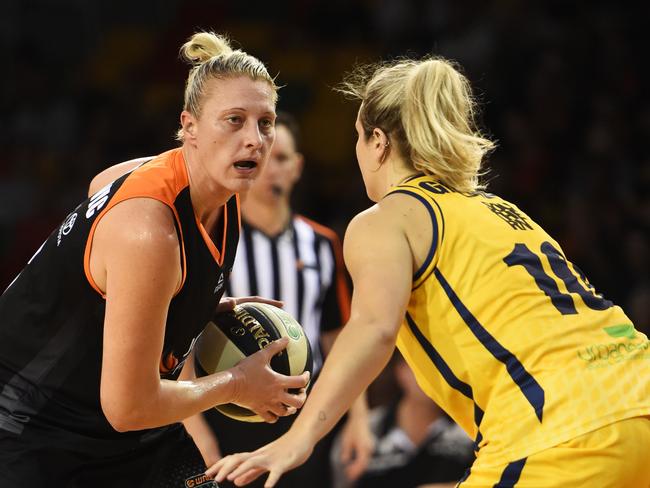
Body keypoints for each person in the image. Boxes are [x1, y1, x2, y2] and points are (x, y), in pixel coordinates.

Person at [208, 55, 650, 487]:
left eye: (359, 138)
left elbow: (374, 328)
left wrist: (298, 439)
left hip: (561, 429)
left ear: (378, 142)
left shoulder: (385, 218)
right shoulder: (498, 209)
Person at [0, 31, 310, 487]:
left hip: (123, 437)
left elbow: (101, 185)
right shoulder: (149, 231)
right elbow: (128, 407)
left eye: (265, 123)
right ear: (190, 127)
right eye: (234, 120)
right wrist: (238, 384)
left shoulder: (214, 191)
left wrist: (171, 302)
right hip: (34, 434)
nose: (254, 140)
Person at [185, 111, 374, 488]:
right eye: (267, 159)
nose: (273, 169)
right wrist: (196, 429)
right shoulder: (213, 235)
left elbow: (338, 337)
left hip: (303, 412)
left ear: (298, 167)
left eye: (283, 159)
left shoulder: (322, 243)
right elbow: (184, 338)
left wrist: (358, 419)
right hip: (227, 410)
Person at [330, 351, 474, 488]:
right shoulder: (365, 430)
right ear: (400, 370)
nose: (433, 377)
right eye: (423, 366)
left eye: (441, 367)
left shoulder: (470, 431)